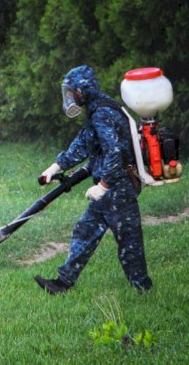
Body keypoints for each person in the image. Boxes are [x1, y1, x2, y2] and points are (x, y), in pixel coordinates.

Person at [35, 65, 152, 295]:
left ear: (82, 91)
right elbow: (82, 143)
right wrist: (55, 167)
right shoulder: (97, 109)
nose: (69, 97)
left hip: (119, 188)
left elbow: (115, 152)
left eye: (71, 92)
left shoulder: (102, 113)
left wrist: (103, 185)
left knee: (129, 242)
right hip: (111, 189)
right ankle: (62, 283)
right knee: (85, 231)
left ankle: (143, 289)